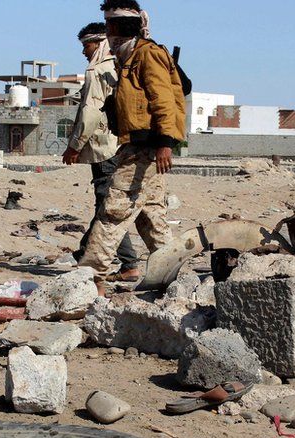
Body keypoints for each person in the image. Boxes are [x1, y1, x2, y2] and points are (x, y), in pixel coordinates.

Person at [79, 0, 186, 293]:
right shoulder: (128, 56)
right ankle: (173, 276)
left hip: (146, 148)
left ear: (121, 27)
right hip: (137, 146)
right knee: (152, 219)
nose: (107, 32)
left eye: (110, 25)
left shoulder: (147, 55)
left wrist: (164, 144)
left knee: (113, 212)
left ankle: (90, 279)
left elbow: (163, 99)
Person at [63, 22, 141, 282]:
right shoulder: (121, 66)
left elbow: (90, 112)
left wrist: (74, 145)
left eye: (86, 46)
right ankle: (100, 256)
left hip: (103, 148)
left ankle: (124, 263)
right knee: (108, 204)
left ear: (98, 43)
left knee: (106, 206)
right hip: (121, 144)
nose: (84, 52)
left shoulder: (97, 71)